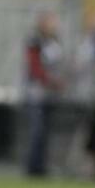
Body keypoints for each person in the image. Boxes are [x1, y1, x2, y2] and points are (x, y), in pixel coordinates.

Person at [24, 11, 65, 177]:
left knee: (46, 132)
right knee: (37, 131)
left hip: (50, 94)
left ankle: (42, 166)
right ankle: (33, 167)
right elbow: (34, 68)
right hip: (36, 93)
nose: (53, 26)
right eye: (50, 22)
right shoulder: (35, 42)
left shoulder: (55, 41)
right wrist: (50, 80)